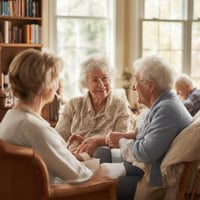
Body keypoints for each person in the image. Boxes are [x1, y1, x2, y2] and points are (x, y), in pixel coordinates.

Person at [105, 55, 193, 200]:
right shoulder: (161, 104)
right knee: (102, 154)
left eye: (136, 82)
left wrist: (121, 142)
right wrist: (123, 138)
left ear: (151, 86)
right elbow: (141, 135)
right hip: (143, 168)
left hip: (151, 176)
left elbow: (146, 152)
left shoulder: (167, 110)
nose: (133, 87)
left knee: (96, 184)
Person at [0, 48, 94, 184]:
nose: (58, 85)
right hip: (58, 193)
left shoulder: (12, 117)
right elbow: (80, 176)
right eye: (56, 78)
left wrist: (76, 157)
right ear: (44, 85)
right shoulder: (30, 126)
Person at [55, 53, 131, 162]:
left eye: (105, 78)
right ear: (86, 82)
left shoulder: (119, 106)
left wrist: (95, 141)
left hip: (99, 160)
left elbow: (120, 140)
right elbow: (58, 137)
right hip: (70, 158)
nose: (101, 84)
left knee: (101, 152)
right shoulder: (73, 104)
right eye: (95, 80)